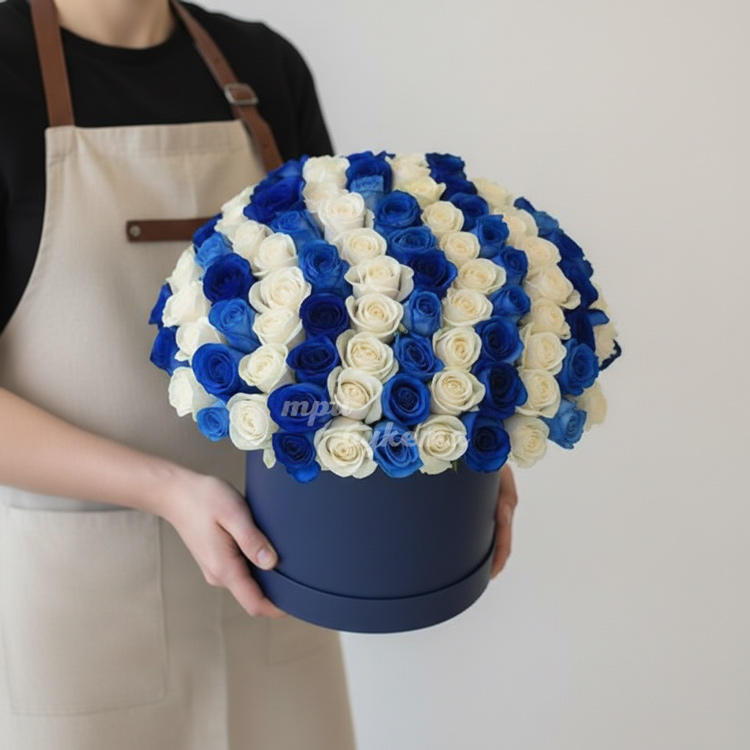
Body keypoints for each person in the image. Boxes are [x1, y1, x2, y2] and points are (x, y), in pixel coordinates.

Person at [0, 0, 519, 747]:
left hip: (285, 571)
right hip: (77, 607)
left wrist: (458, 433)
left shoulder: (261, 66)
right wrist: (165, 489)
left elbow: (362, 308)